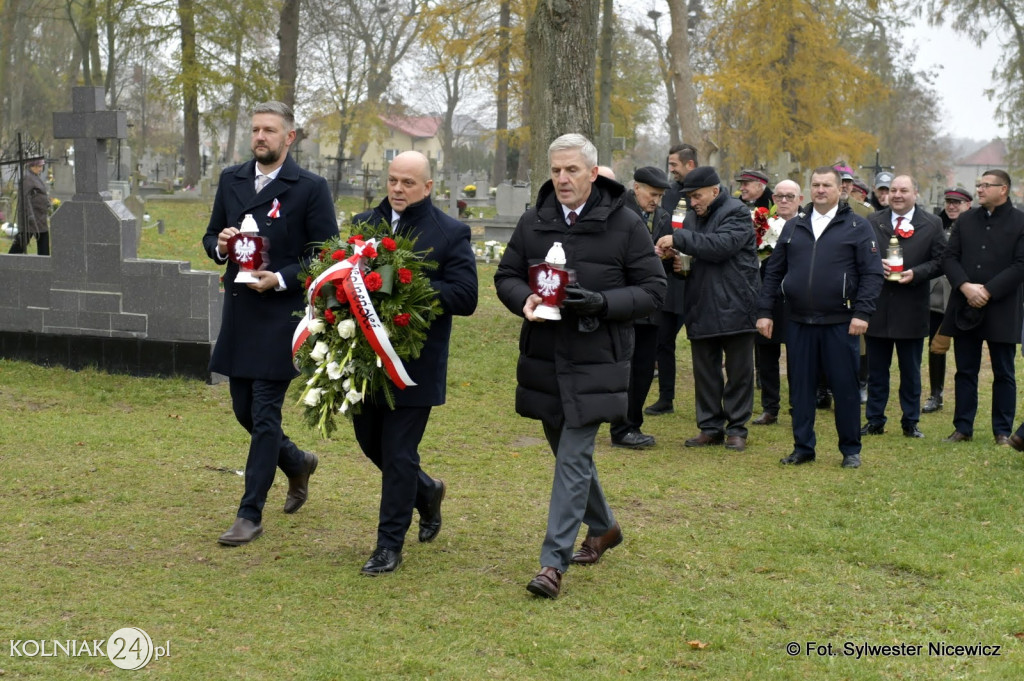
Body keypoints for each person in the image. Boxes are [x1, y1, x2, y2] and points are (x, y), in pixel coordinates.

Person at [494, 134, 665, 599]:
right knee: (566, 452)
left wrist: (600, 303)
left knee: (573, 457)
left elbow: (653, 290)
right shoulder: (535, 221)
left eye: (572, 170)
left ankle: (552, 563)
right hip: (545, 357)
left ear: (593, 173)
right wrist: (523, 298)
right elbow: (506, 275)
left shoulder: (627, 225)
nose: (563, 179)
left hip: (598, 360)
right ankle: (605, 527)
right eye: (555, 171)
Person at [203, 101, 338, 546]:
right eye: (256, 129)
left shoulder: (310, 188)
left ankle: (249, 514)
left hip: (282, 315)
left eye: (269, 130)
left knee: (263, 414)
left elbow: (324, 255)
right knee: (244, 409)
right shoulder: (231, 179)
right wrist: (221, 246)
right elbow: (210, 237)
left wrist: (280, 278)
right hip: (240, 312)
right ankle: (297, 462)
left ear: (289, 138)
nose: (260, 137)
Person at [350, 150, 479, 574]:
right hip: (368, 360)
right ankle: (427, 491)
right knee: (371, 443)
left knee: (399, 452)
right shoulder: (365, 224)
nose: (398, 189)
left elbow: (466, 296)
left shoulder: (450, 232)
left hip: (415, 364)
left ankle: (389, 545)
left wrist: (409, 288)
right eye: (393, 181)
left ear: (427, 187)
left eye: (408, 183)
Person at [756, 167, 883, 469]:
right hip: (798, 321)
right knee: (800, 387)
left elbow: (872, 273)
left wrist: (862, 312)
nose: (821, 190)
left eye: (827, 185)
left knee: (845, 387)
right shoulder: (794, 226)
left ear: (841, 190)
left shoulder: (857, 226)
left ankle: (850, 449)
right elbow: (774, 272)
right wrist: (763, 311)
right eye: (816, 185)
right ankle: (803, 447)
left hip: (840, 322)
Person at [655, 166, 760, 451]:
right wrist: (677, 264)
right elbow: (694, 257)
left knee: (739, 372)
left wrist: (679, 239)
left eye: (697, 196)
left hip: (736, 301)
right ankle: (710, 427)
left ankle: (737, 428)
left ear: (715, 191)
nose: (693, 202)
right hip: (701, 302)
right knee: (705, 371)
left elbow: (721, 245)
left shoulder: (736, 212)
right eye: (689, 197)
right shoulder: (691, 217)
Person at [941, 169, 1024, 445]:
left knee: (1004, 370)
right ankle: (963, 427)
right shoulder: (965, 220)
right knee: (965, 368)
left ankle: (1002, 430)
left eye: (986, 185)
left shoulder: (1020, 222)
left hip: (1002, 305)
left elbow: (1020, 265)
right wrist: (965, 286)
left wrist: (988, 290)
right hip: (966, 304)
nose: (979, 189)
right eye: (979, 184)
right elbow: (950, 258)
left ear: (1004, 189)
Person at [861, 175, 945, 438]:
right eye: (893, 190)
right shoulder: (873, 221)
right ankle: (875, 419)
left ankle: (910, 421)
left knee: (910, 371)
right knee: (877, 371)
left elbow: (941, 260)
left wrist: (916, 273)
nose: (897, 195)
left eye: (903, 190)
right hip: (879, 305)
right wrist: (876, 266)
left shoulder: (932, 223)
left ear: (915, 193)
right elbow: (861, 254)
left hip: (912, 306)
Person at [611, 166, 673, 448]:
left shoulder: (662, 217)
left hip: (651, 305)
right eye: (652, 194)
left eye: (660, 196)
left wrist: (670, 256)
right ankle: (621, 426)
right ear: (636, 188)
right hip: (623, 300)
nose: (656, 201)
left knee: (645, 368)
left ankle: (631, 423)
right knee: (624, 367)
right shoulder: (617, 212)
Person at [645, 144, 696, 416]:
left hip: (699, 279)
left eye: (674, 164)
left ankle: (711, 403)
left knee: (705, 344)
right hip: (671, 278)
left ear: (689, 164)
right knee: (663, 340)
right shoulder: (671, 193)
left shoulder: (712, 192)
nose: (671, 169)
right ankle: (666, 397)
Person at [752, 179, 804, 426]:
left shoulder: (807, 225)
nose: (784, 200)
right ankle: (770, 407)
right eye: (780, 196)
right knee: (766, 353)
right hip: (768, 294)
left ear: (800, 200)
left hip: (797, 297)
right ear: (773, 200)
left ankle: (798, 405)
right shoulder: (763, 224)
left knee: (797, 356)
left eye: (789, 196)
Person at [923, 186, 971, 413]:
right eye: (949, 201)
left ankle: (965, 399)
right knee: (935, 345)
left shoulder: (974, 225)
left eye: (957, 202)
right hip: (937, 294)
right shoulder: (936, 224)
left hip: (963, 293)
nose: (951, 206)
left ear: (967, 204)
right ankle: (936, 394)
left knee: (965, 349)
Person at [10, 157, 50, 255]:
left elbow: (40, 193)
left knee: (43, 241)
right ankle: (8, 261)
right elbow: (24, 198)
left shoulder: (35, 176)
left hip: (40, 217)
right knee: (21, 243)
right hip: (31, 218)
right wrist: (30, 216)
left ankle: (44, 263)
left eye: (41, 166)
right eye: (39, 166)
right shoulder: (27, 178)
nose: (41, 169)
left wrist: (47, 203)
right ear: (32, 166)